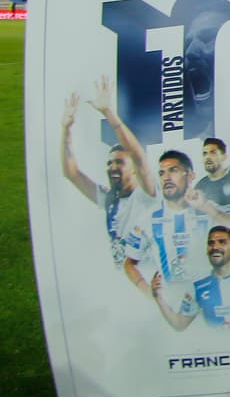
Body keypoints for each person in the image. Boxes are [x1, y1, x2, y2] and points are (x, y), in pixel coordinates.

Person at [58, 77, 157, 265]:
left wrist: (108, 112)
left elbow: (138, 156)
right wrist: (66, 130)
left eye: (119, 162)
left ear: (134, 170)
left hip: (148, 275)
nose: (112, 167)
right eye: (110, 163)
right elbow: (72, 174)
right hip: (124, 277)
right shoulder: (109, 198)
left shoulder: (146, 195)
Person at [123, 151, 230, 299]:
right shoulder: (149, 219)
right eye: (161, 173)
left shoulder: (206, 210)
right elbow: (129, 263)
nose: (166, 177)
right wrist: (148, 292)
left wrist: (205, 207)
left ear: (190, 175)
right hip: (172, 304)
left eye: (173, 170)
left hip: (212, 299)